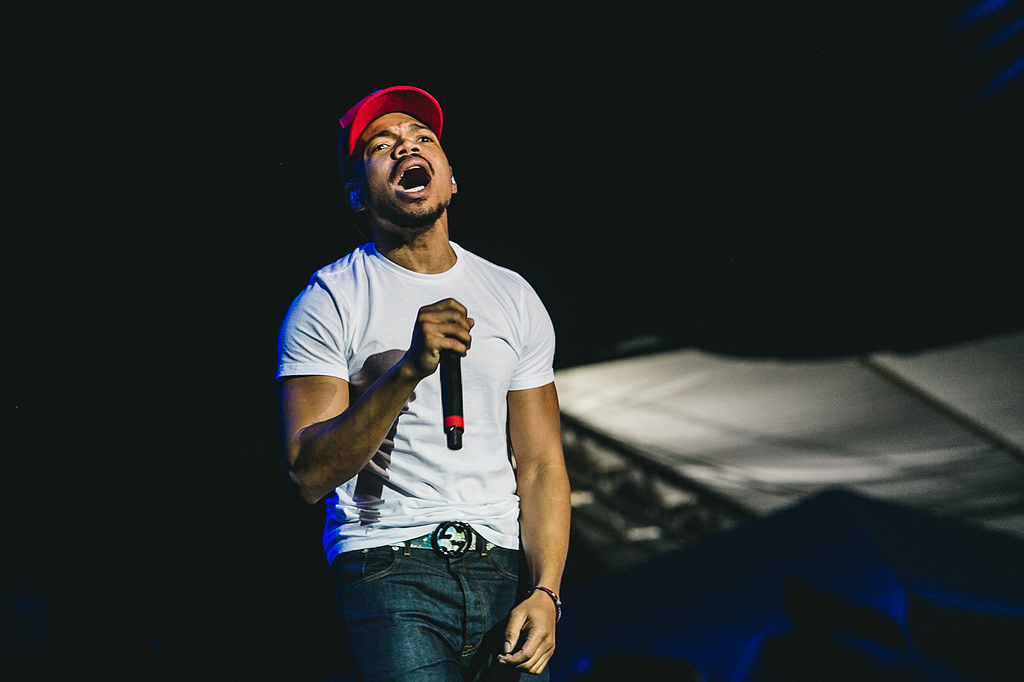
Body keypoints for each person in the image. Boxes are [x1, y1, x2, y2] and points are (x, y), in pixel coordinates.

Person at [276, 86, 571, 681]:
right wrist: (407, 368)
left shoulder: (512, 295)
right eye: (382, 146)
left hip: (503, 568)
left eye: (422, 139)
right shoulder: (330, 299)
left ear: (450, 178)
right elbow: (309, 472)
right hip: (388, 565)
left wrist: (547, 592)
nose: (406, 146)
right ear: (357, 194)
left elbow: (540, 463)